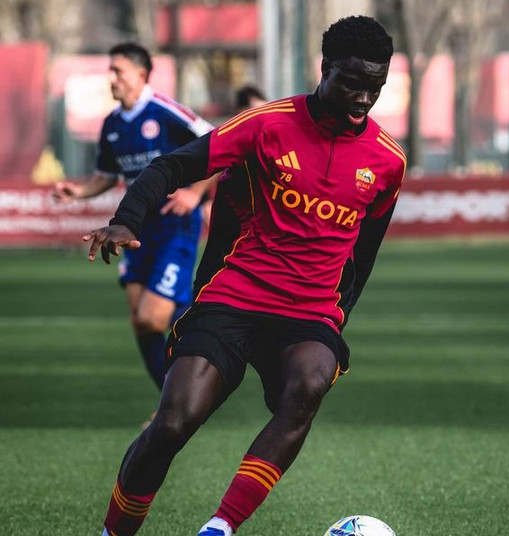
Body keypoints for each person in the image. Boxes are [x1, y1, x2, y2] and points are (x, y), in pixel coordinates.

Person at [84, 16, 406, 536]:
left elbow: (363, 254)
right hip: (235, 297)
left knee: (309, 385)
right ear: (325, 68)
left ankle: (219, 527)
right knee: (174, 422)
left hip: (309, 313)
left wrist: (337, 319)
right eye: (352, 82)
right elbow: (170, 167)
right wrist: (127, 219)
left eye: (376, 87)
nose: (364, 98)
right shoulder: (266, 124)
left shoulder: (388, 161)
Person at [53, 43, 215, 390]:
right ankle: (170, 404)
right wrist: (76, 192)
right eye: (110, 71)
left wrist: (195, 193)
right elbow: (105, 176)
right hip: (135, 229)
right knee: (140, 322)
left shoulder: (166, 111)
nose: (111, 78)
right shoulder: (112, 124)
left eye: (118, 71)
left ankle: (203, 342)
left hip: (174, 226)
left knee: (152, 317)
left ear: (141, 74)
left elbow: (221, 144)